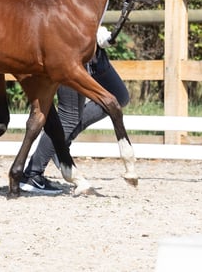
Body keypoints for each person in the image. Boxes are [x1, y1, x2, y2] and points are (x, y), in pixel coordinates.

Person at [19, 26, 130, 194]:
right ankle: (32, 174)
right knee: (69, 116)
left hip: (96, 53)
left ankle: (60, 144)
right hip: (70, 49)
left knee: (119, 96)